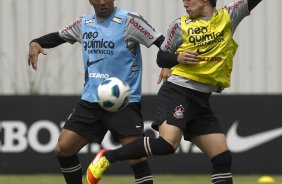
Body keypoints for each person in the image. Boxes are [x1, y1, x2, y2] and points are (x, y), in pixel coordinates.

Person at [87, 0, 263, 184]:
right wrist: (177, 58)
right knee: (167, 144)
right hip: (179, 91)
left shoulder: (228, 16)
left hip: (201, 100)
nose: (185, 4)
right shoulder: (180, 25)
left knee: (222, 158)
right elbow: (161, 57)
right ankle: (108, 156)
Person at [27, 0, 171, 184]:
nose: (103, 2)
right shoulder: (84, 23)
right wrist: (36, 42)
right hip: (91, 101)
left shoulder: (130, 20)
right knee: (63, 149)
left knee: (136, 157)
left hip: (123, 102)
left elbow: (163, 42)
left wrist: (167, 63)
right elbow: (58, 36)